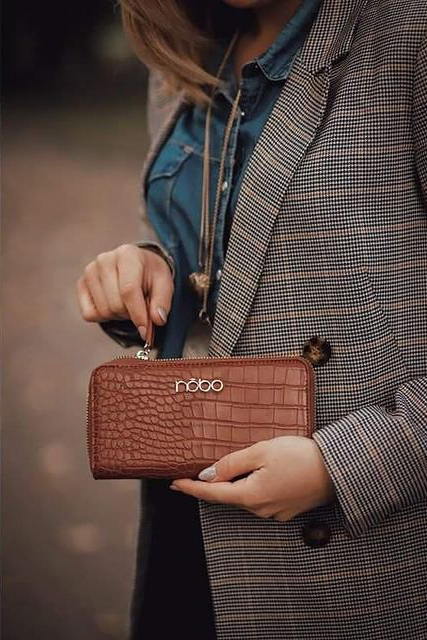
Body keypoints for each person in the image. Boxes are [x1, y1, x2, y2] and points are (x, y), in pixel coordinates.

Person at [76, 0, 427, 638]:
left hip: (349, 550)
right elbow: (216, 254)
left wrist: (346, 466)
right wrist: (147, 267)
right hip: (184, 500)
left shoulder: (407, 35)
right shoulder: (183, 50)